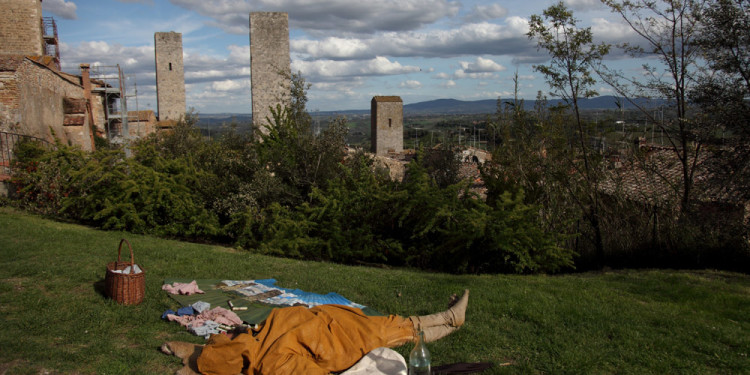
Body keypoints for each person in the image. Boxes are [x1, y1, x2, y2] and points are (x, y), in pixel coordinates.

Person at [161, 289, 469, 375]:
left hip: (319, 322)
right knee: (382, 331)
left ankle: (448, 318)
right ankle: (449, 319)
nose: (226, 337)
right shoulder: (271, 361)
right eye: (226, 342)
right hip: (332, 339)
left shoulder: (256, 339)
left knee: (383, 325)